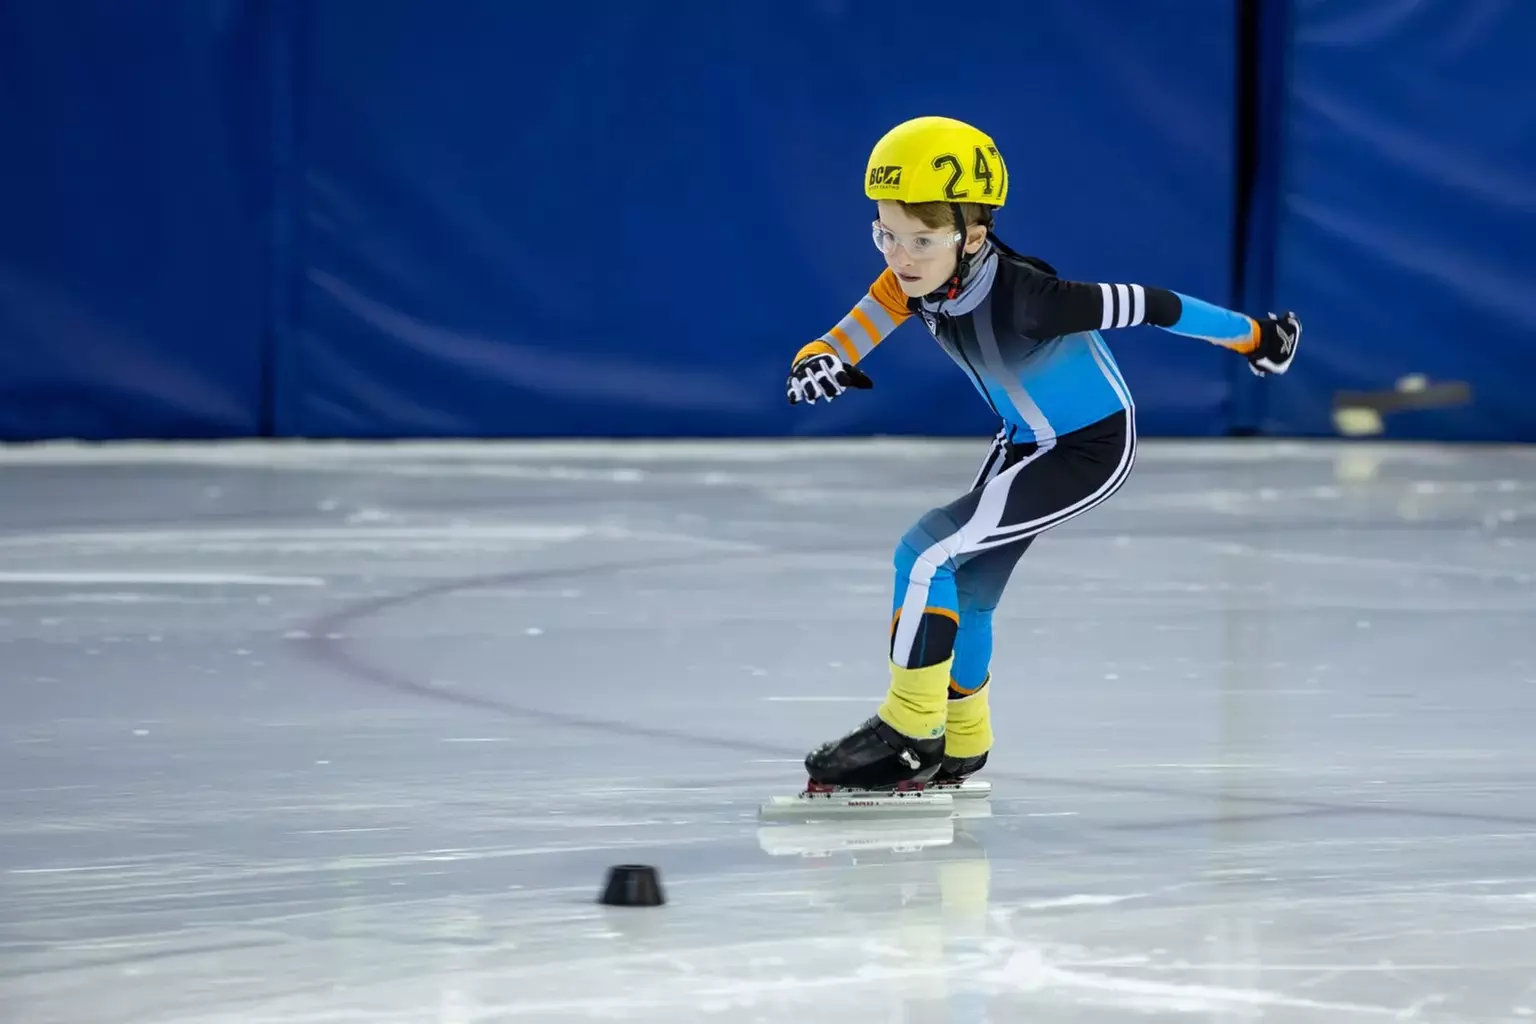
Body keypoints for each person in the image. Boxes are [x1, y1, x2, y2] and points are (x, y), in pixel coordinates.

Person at [785, 115, 1300, 792]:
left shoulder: (1029, 300)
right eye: (886, 234)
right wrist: (814, 362)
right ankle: (964, 742)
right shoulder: (911, 285)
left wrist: (1255, 336)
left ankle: (911, 731)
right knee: (965, 588)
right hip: (1024, 441)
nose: (900, 258)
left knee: (925, 551)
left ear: (973, 235)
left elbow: (1156, 306)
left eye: (921, 238)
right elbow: (842, 338)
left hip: (1089, 447)